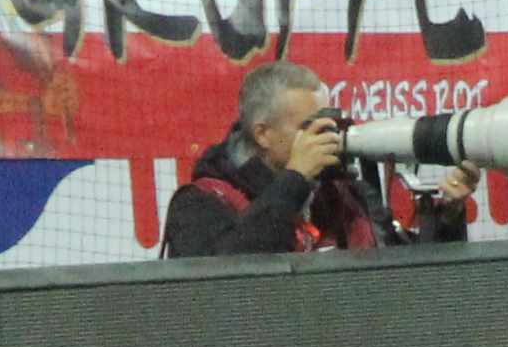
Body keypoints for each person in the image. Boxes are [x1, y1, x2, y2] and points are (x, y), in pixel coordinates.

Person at [159, 58, 464, 257]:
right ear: (263, 134)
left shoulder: (342, 195)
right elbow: (223, 280)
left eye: (327, 124)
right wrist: (294, 180)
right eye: (309, 127)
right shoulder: (200, 202)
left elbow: (405, 277)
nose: (323, 137)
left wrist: (447, 218)